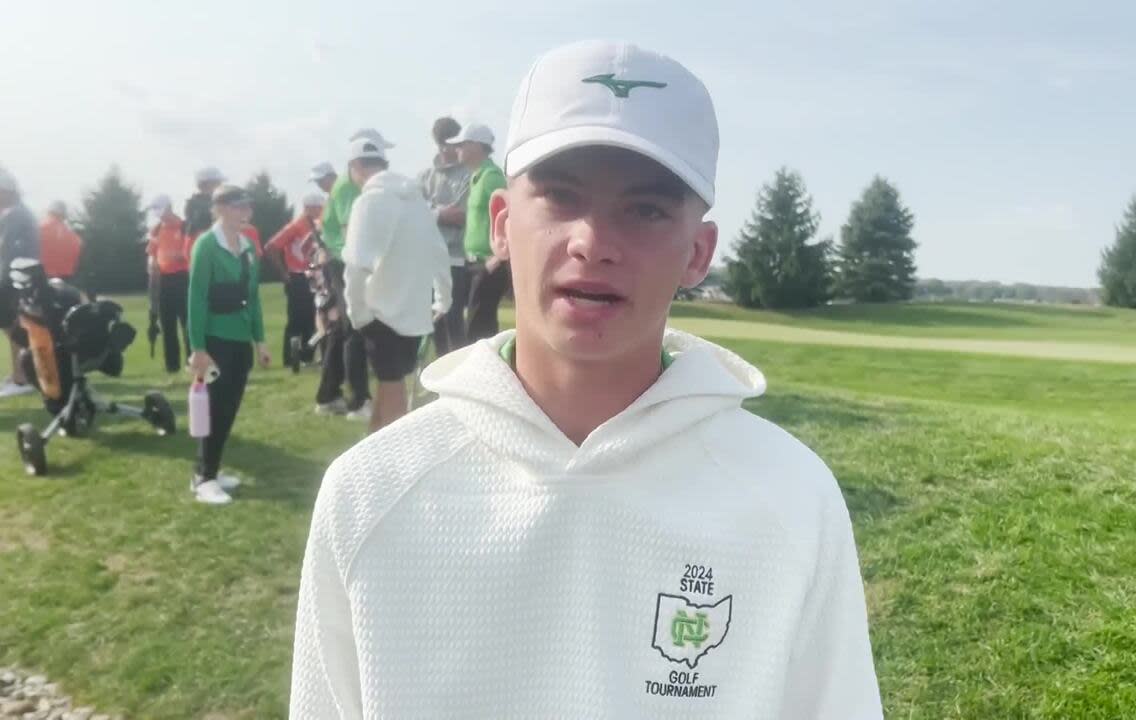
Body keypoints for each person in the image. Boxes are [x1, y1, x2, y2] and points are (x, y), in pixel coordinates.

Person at [290, 40, 882, 719]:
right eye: (561, 197)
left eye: (646, 209)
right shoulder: (371, 492)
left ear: (698, 252)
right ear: (503, 225)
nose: (593, 240)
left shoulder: (790, 495)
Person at [342, 138, 452, 432]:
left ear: (355, 167)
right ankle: (369, 460)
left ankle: (394, 470)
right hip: (415, 313)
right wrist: (443, 300)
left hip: (380, 313)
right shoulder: (417, 202)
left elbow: (356, 264)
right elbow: (439, 254)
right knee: (390, 386)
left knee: (392, 396)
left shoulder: (368, 201)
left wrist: (356, 314)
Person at [187, 184, 270, 505]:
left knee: (229, 408)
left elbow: (253, 299)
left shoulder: (248, 247)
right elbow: (196, 298)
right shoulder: (206, 246)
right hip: (214, 341)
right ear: (220, 208)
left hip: (239, 341)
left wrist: (260, 340)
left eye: (247, 208)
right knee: (214, 409)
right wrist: (198, 347)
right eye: (238, 207)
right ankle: (202, 477)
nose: (245, 214)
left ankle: (213, 469)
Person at [314, 129, 391, 420]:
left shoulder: (350, 182)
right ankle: (359, 401)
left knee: (343, 331)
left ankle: (328, 394)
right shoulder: (349, 185)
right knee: (356, 330)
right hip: (345, 260)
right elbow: (350, 230)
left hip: (346, 258)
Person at [448, 122, 509, 343]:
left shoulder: (492, 177)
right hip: (473, 262)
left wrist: (497, 257)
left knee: (478, 327)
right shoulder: (476, 177)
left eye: (462, 145)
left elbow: (511, 214)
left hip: (489, 262)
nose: (458, 150)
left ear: (476, 146)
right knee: (475, 324)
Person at [419, 116, 471, 356]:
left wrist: (430, 211)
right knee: (433, 320)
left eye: (449, 144)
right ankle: (439, 372)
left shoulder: (468, 175)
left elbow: (461, 216)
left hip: (455, 258)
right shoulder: (425, 176)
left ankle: (458, 372)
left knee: (453, 320)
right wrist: (439, 212)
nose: (444, 149)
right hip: (427, 256)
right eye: (440, 143)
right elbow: (413, 213)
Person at [265, 193, 324, 367]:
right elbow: (271, 246)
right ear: (309, 208)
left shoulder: (317, 225)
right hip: (298, 276)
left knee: (313, 318)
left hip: (315, 276)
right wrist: (283, 272)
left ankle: (307, 357)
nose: (321, 211)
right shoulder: (296, 226)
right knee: (297, 320)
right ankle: (291, 359)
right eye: (318, 208)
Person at [0, 166, 37, 397]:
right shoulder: (20, 213)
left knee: (14, 327)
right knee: (14, 327)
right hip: (18, 277)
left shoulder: (14, 215)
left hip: (13, 279)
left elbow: (7, 251)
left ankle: (22, 378)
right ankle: (22, 373)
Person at [146, 195, 192, 373]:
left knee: (187, 323)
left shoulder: (184, 226)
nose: (160, 215)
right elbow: (151, 253)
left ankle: (191, 362)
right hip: (163, 280)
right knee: (167, 325)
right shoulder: (156, 230)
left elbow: (191, 250)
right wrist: (152, 265)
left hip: (183, 277)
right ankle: (172, 366)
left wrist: (180, 256)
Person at [182, 166, 224, 260]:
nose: (221, 185)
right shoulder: (196, 205)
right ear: (205, 184)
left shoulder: (216, 202)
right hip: (205, 253)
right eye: (218, 182)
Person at [37, 201, 83, 282]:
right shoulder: (75, 237)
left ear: (49, 212)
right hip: (65, 280)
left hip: (41, 278)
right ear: (64, 216)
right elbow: (76, 261)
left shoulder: (39, 229)